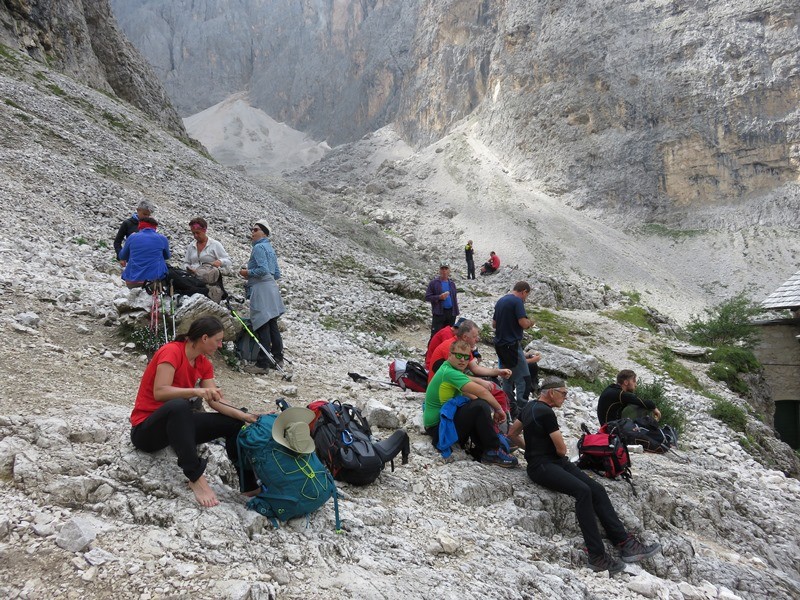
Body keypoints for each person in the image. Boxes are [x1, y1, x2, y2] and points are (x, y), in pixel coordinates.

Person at [507, 377, 662, 574]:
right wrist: (539, 453)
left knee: (596, 489)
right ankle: (597, 555)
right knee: (583, 491)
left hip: (545, 463)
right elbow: (562, 450)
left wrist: (530, 451)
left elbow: (512, 432)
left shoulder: (530, 406)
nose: (565, 397)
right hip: (545, 465)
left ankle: (624, 542)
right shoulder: (546, 413)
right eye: (563, 393)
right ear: (551, 392)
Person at [129, 317, 259, 507]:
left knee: (233, 424)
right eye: (218, 340)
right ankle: (195, 476)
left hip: (176, 428)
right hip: (146, 431)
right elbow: (160, 391)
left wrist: (246, 415)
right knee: (179, 406)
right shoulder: (172, 351)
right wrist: (196, 391)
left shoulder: (203, 364)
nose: (220, 345)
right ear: (204, 338)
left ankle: (248, 485)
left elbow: (216, 401)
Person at [423, 340, 517, 466]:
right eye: (459, 355)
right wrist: (499, 410)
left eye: (466, 357)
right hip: (437, 428)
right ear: (450, 355)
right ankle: (492, 450)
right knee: (480, 406)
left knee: (477, 405)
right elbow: (482, 392)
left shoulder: (448, 368)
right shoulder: (450, 373)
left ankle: (485, 447)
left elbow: (472, 395)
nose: (463, 360)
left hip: (438, 423)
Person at [239, 219, 285, 374]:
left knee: (262, 323)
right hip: (272, 287)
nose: (252, 232)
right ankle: (277, 357)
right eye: (252, 229)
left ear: (264, 232)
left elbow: (262, 270)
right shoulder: (270, 248)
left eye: (256, 229)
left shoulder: (258, 248)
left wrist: (247, 273)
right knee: (272, 323)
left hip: (261, 289)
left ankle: (262, 363)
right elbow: (276, 273)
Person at [493, 281, 535, 417]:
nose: (525, 299)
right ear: (524, 291)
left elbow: (494, 324)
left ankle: (507, 406)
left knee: (507, 375)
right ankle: (522, 411)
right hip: (511, 345)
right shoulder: (517, 302)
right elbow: (523, 323)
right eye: (526, 296)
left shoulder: (501, 301)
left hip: (499, 345)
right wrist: (530, 323)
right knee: (524, 378)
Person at [428, 319, 512, 384]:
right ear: (465, 337)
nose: (477, 339)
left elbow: (475, 368)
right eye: (474, 337)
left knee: (491, 380)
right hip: (441, 386)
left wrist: (498, 371)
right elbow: (456, 375)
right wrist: (480, 382)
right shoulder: (451, 347)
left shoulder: (463, 347)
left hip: (451, 380)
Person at [184, 217, 232, 303]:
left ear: (204, 230)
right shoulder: (191, 246)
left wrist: (220, 262)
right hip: (193, 281)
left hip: (209, 283)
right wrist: (188, 268)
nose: (195, 236)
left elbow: (228, 260)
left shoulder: (215, 245)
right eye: (193, 233)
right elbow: (186, 262)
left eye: (198, 233)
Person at [119, 216, 170, 288]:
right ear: (154, 228)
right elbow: (167, 256)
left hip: (132, 281)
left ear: (140, 226)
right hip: (154, 281)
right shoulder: (162, 238)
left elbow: (122, 256)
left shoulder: (132, 237)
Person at [597, 370, 661, 425]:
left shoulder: (611, 388)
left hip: (606, 425)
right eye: (634, 381)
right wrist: (655, 409)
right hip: (610, 428)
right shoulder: (620, 394)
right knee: (642, 408)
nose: (635, 384)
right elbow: (641, 401)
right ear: (626, 382)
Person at [114, 199, 155, 265]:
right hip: (131, 260)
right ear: (138, 210)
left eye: (148, 215)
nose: (146, 217)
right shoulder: (127, 223)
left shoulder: (151, 225)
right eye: (144, 214)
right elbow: (117, 242)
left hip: (146, 260)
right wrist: (121, 257)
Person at [425, 263, 459, 337]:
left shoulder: (452, 284)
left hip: (451, 313)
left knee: (449, 335)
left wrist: (455, 311)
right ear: (439, 270)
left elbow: (454, 298)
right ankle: (432, 348)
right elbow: (427, 297)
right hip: (439, 313)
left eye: (446, 269)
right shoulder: (433, 283)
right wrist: (439, 297)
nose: (444, 271)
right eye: (442, 269)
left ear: (449, 271)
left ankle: (445, 348)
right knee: (435, 335)